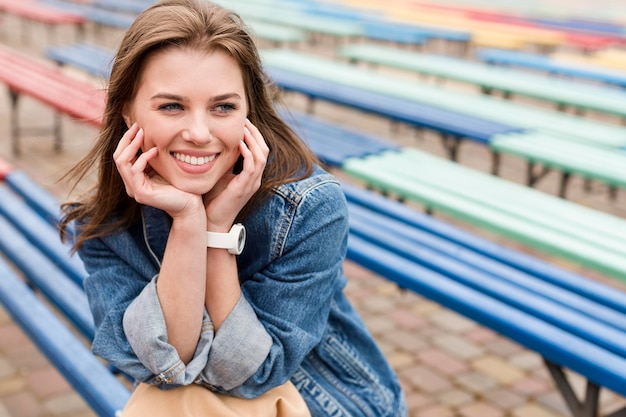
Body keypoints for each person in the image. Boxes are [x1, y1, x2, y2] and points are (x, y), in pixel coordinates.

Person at [60, 0, 407, 415]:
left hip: (325, 397)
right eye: (171, 106)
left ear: (250, 113)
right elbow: (165, 366)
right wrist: (189, 222)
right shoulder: (106, 227)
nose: (200, 133)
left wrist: (218, 230)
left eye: (223, 107)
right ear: (127, 111)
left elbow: (255, 372)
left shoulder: (308, 208)